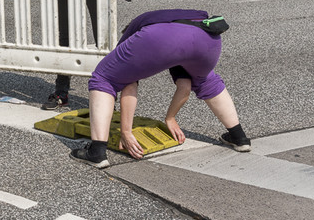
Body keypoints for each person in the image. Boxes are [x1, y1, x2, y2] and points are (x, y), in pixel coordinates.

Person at [70, 9, 251, 169]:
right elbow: (184, 87)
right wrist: (170, 117)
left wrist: (126, 132)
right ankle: (239, 137)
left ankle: (96, 152)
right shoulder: (170, 22)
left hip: (163, 38)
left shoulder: (135, 33)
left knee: (104, 77)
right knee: (206, 81)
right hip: (209, 38)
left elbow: (128, 84)